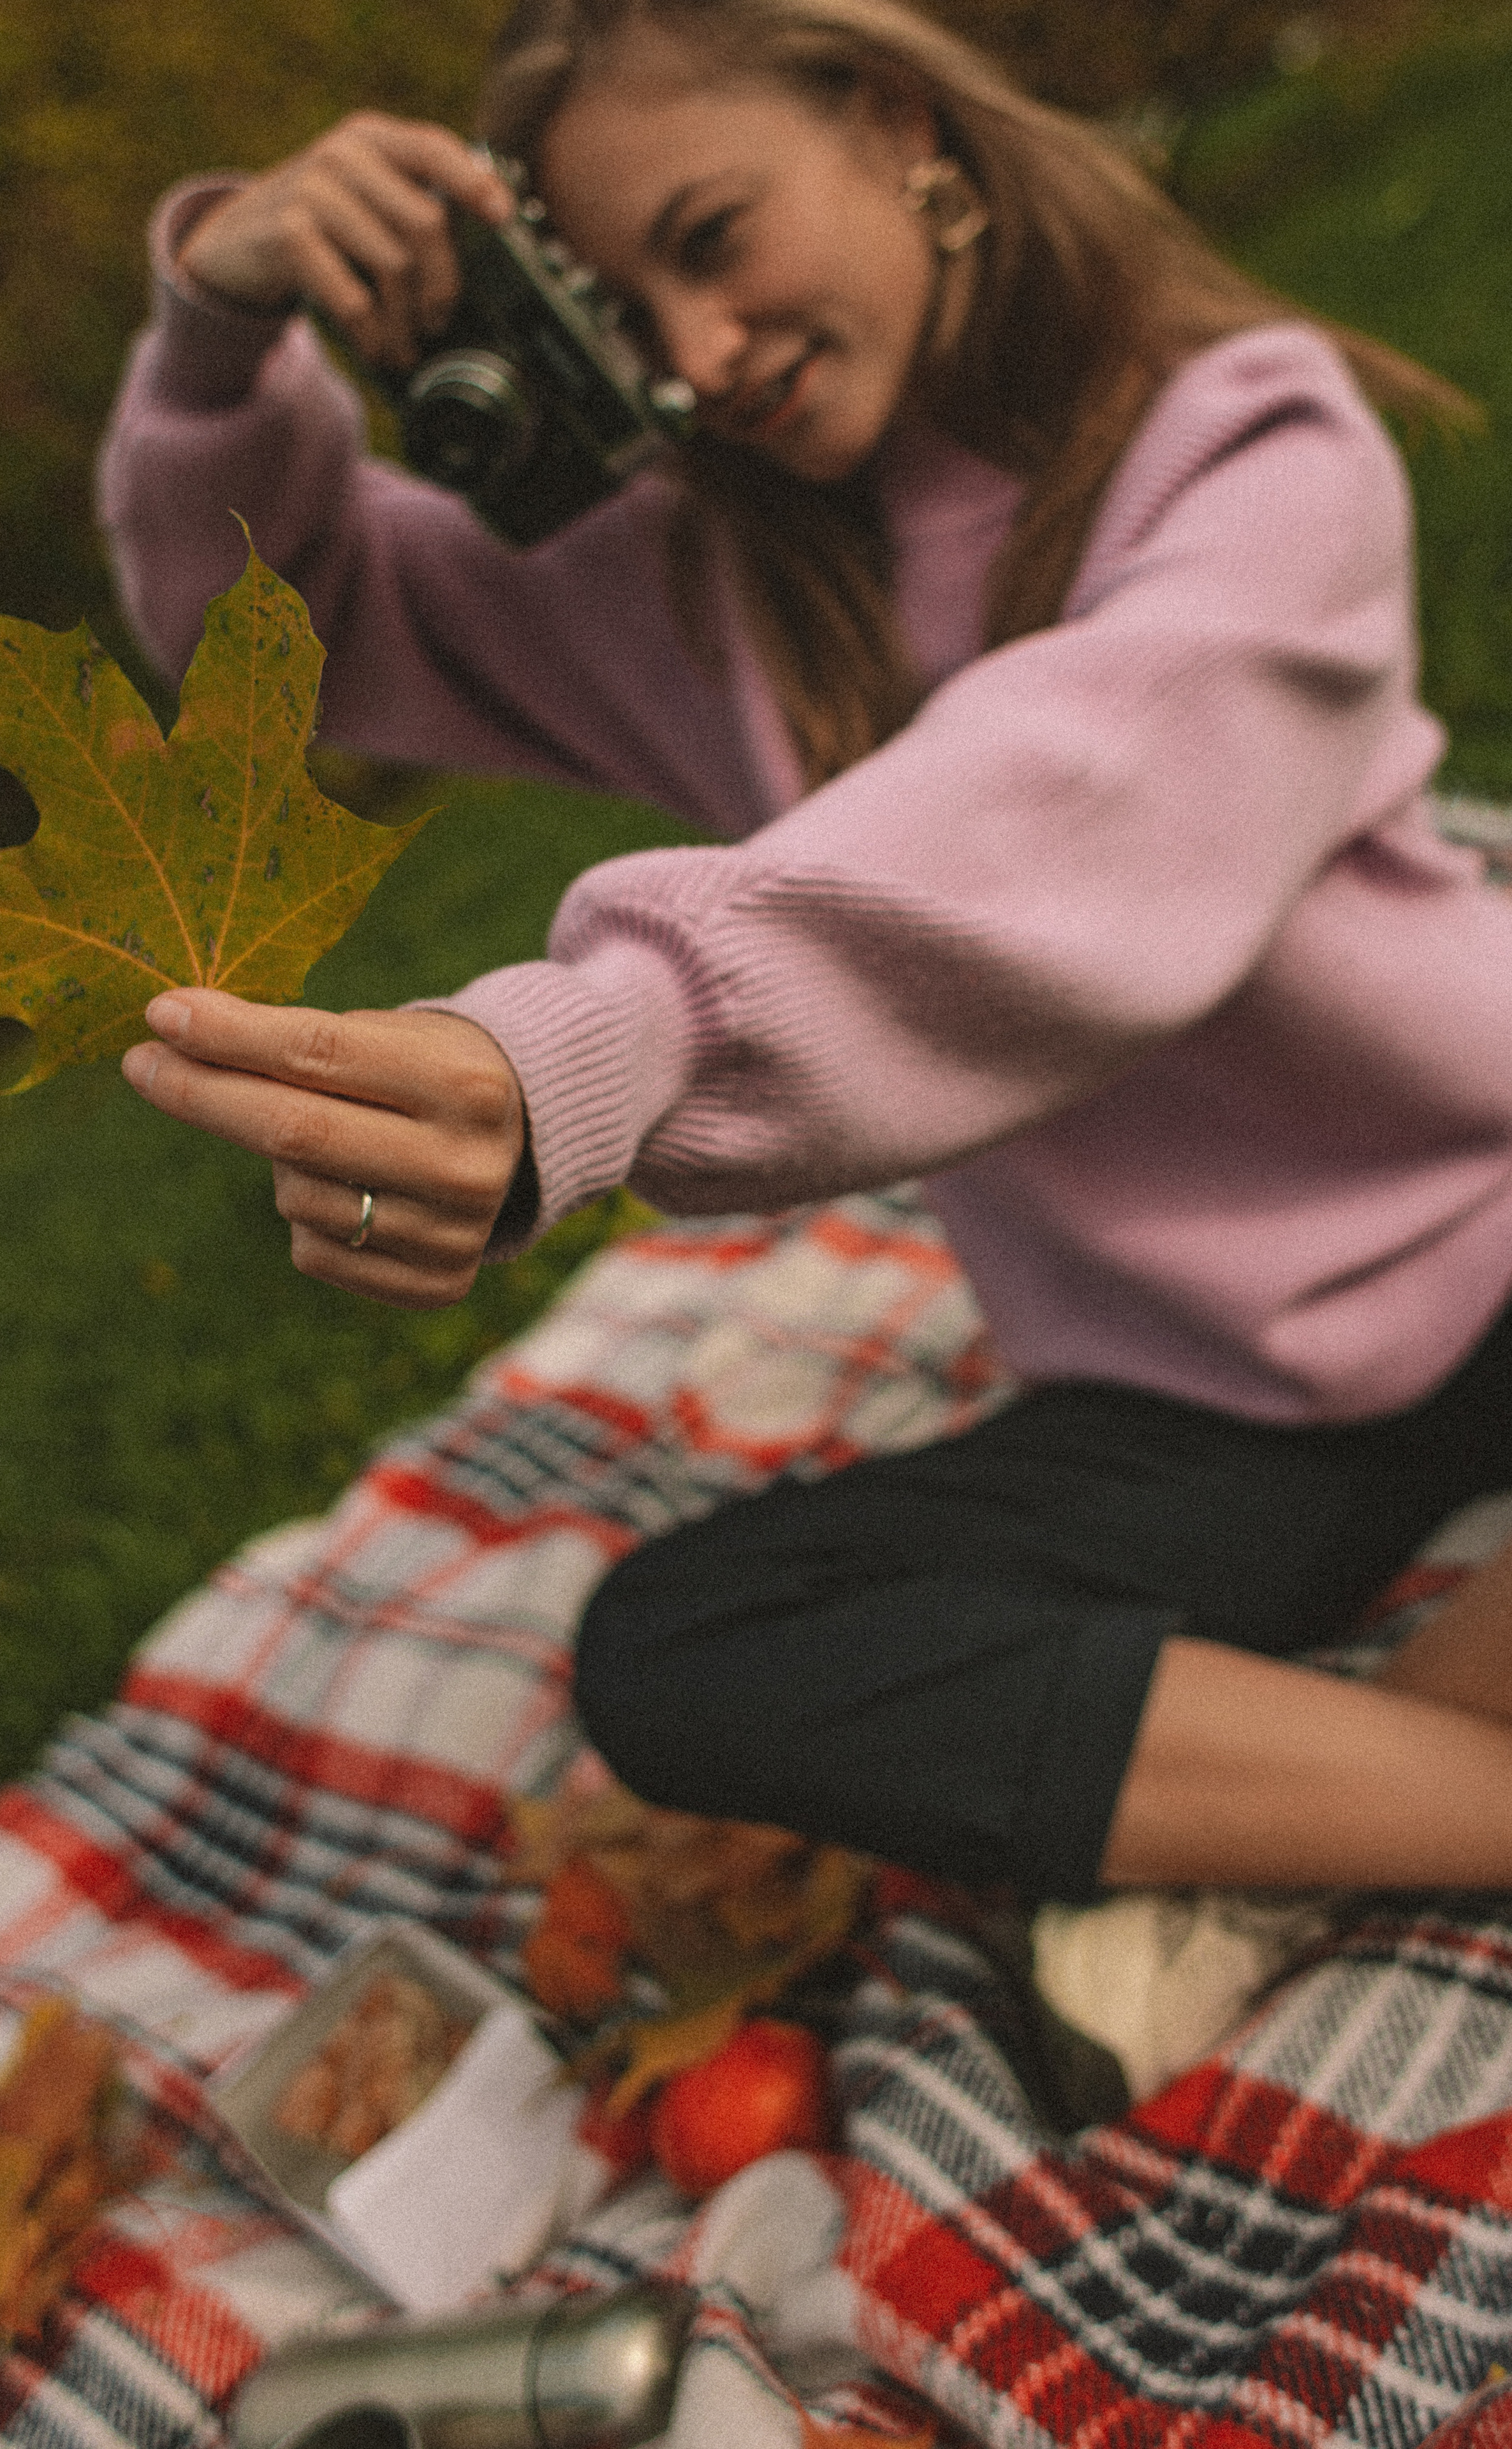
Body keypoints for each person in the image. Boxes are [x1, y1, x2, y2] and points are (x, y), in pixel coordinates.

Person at [99, 0, 1512, 1908]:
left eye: (714, 238)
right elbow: (286, 632)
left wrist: (598, 1046)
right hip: (1205, 1401)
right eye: (622, 312)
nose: (696, 358)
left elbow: (1065, 805)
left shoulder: (1254, 442)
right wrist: (217, 327)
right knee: (690, 1650)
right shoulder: (702, 580)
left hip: (1486, 1216)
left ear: (895, 122)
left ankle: (1356, 1790)